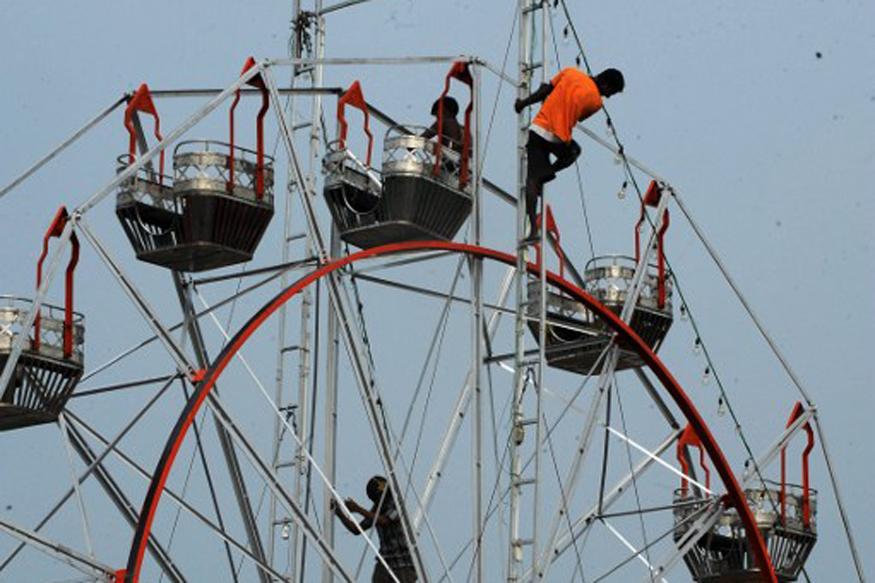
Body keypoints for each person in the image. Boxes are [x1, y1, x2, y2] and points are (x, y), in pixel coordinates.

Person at [514, 67, 625, 242]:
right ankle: (546, 173)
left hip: (537, 130)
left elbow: (544, 91)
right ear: (605, 84)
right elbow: (577, 114)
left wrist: (522, 104)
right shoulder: (596, 103)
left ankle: (533, 228)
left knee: (531, 180)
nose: (608, 96)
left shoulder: (570, 72)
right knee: (574, 152)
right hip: (558, 139)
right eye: (610, 92)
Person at [333, 475, 417, 583]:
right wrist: (340, 513)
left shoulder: (397, 503)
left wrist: (358, 509)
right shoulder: (377, 508)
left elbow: (384, 521)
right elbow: (356, 529)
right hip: (385, 561)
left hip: (404, 563)